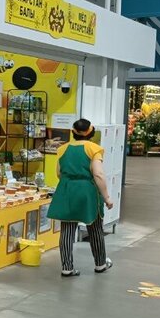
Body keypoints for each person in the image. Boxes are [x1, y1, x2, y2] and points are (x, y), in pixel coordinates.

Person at [47, 118, 115, 277]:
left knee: (67, 230)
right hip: (87, 192)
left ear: (73, 133)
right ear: (91, 133)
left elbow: (59, 173)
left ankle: (67, 267)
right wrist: (106, 197)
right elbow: (98, 174)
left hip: (67, 190)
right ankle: (100, 264)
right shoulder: (94, 149)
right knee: (95, 228)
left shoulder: (62, 149)